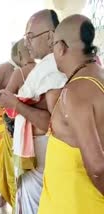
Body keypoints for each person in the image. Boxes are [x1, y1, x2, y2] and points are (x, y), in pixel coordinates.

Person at [0, 9, 67, 214]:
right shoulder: (44, 67)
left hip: (42, 158)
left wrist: (16, 104)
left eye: (30, 36)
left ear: (51, 36)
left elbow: (51, 124)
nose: (26, 42)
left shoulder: (54, 69)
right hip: (33, 157)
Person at [38, 15, 104, 214]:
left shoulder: (74, 92)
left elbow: (97, 167)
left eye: (53, 46)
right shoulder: (97, 77)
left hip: (79, 206)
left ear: (61, 47)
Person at [0, 40, 20, 208]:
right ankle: (3, 193)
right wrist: (5, 100)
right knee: (3, 158)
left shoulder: (27, 69)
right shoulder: (4, 67)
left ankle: (16, 195)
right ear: (17, 53)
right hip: (3, 116)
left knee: (16, 159)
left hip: (19, 117)